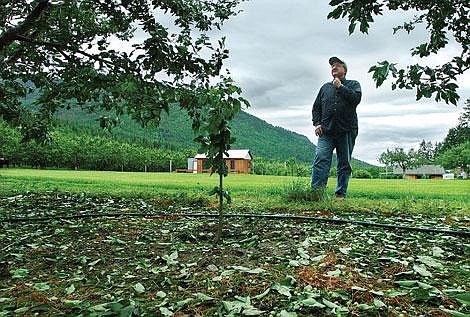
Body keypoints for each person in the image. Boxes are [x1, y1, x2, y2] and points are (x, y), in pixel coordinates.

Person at [311, 56, 362, 199]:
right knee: (321, 158)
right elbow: (316, 108)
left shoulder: (353, 84)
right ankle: (317, 193)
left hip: (346, 130)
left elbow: (355, 99)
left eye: (337, 65)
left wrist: (340, 86)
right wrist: (317, 123)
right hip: (326, 131)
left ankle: (340, 194)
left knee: (344, 163)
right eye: (332, 66)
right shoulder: (325, 88)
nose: (334, 67)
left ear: (344, 70)